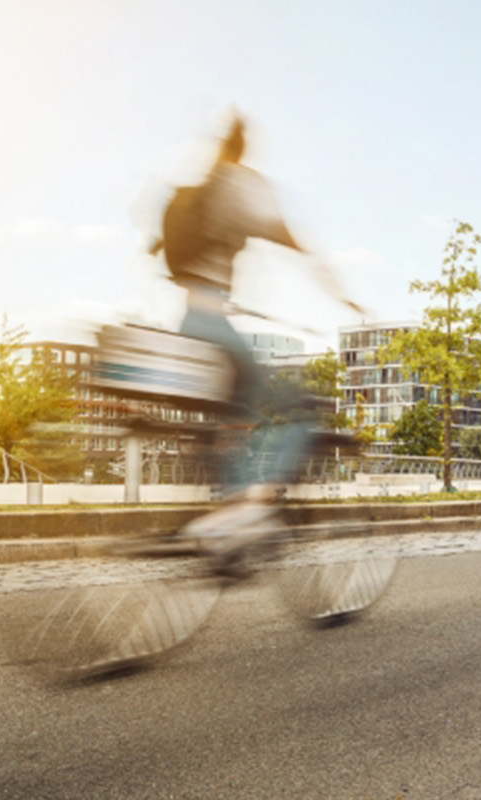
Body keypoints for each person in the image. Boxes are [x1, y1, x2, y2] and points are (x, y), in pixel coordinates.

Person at [149, 114, 363, 574]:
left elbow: (159, 252)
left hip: (191, 319)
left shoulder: (197, 190)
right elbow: (295, 242)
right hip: (215, 324)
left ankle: (232, 511)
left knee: (235, 414)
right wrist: (341, 293)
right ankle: (249, 509)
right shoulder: (240, 187)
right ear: (244, 149)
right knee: (293, 405)